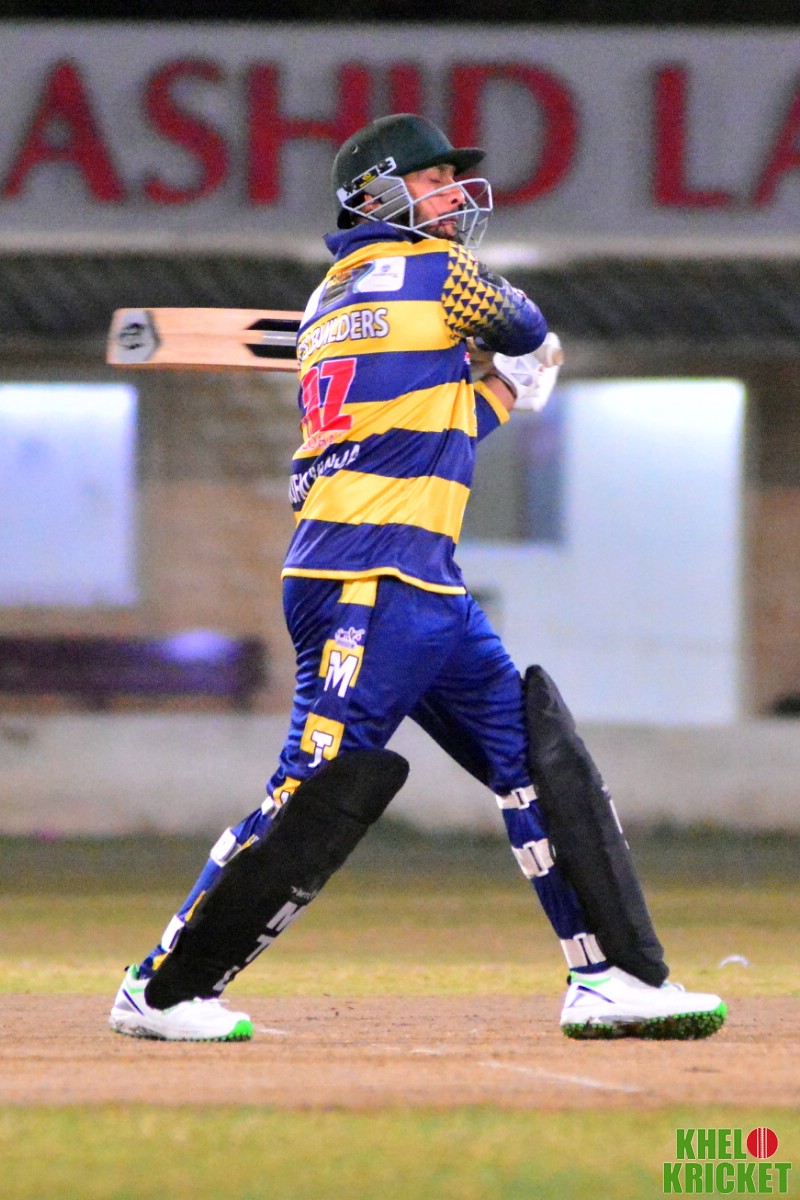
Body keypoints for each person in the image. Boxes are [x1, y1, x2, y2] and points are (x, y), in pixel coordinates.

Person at [109, 113, 726, 1043]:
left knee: (535, 757)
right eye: (433, 181)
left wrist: (505, 386)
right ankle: (161, 989)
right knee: (315, 786)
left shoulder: (329, 302)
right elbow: (524, 323)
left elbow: (435, 430)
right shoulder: (437, 274)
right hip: (365, 574)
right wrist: (529, 360)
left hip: (421, 581)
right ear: (377, 195)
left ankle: (613, 979)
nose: (452, 197)